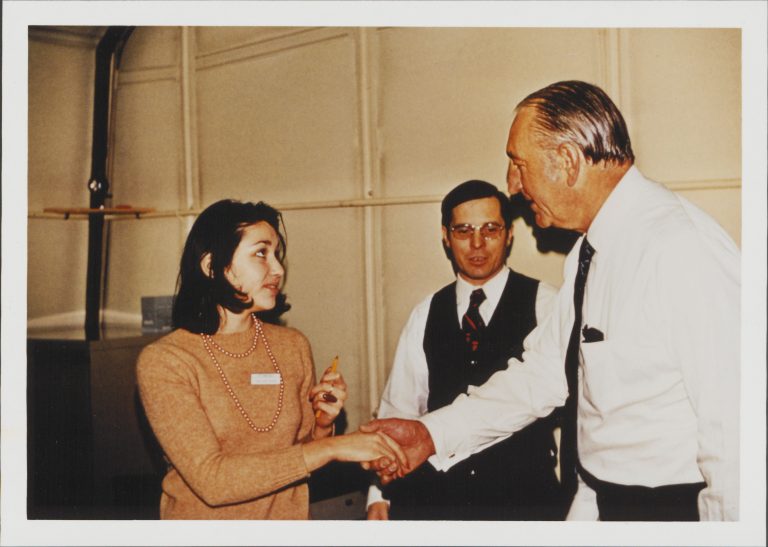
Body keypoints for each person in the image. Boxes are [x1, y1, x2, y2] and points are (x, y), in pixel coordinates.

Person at [362, 80, 740, 521]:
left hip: (673, 511)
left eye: (519, 164)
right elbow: (541, 376)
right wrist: (430, 434)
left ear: (567, 161)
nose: (513, 185)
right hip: (602, 501)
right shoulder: (588, 251)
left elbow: (739, 432)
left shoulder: (680, 247)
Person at [136, 199, 404, 519]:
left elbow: (299, 460)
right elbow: (213, 480)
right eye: (261, 253)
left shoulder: (291, 346)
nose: (277, 269)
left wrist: (322, 425)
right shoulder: (166, 361)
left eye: (277, 255)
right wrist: (332, 447)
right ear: (211, 266)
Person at [366, 180, 566, 521]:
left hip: (526, 505)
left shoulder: (547, 304)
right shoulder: (426, 313)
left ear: (509, 234)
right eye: (463, 230)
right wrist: (378, 494)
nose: (478, 243)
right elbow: (399, 409)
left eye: (490, 228)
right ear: (445, 236)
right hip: (439, 504)